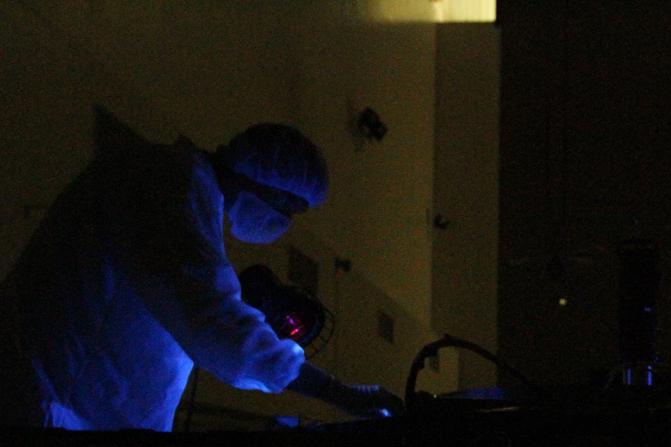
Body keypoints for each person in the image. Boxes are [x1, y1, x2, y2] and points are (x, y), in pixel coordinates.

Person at [0, 123, 401, 430]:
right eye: (289, 210)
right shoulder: (166, 182)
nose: (285, 224)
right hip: (46, 415)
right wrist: (334, 391)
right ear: (265, 185)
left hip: (74, 419)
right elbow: (214, 323)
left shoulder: (183, 189)